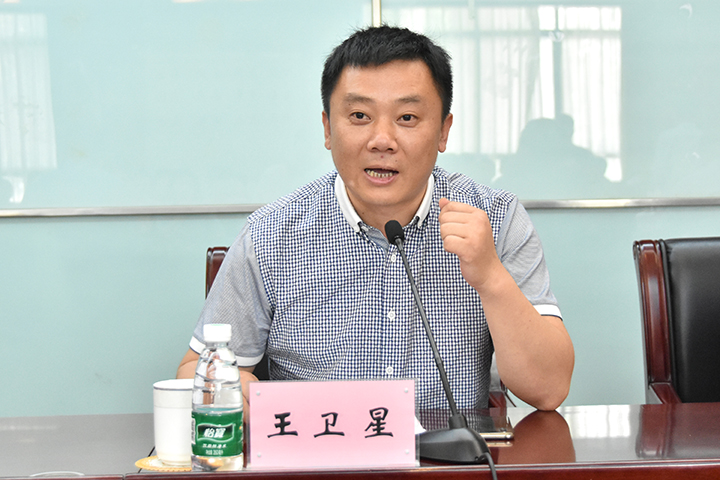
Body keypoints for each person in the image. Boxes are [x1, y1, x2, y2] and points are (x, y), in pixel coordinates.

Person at [177, 26, 574, 412]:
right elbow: (194, 371)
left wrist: (490, 277)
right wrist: (239, 394)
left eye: (407, 118)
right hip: (320, 450)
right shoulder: (272, 234)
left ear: (443, 131)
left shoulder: (496, 219)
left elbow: (548, 390)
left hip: (448, 453)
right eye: (360, 115)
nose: (382, 140)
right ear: (328, 128)